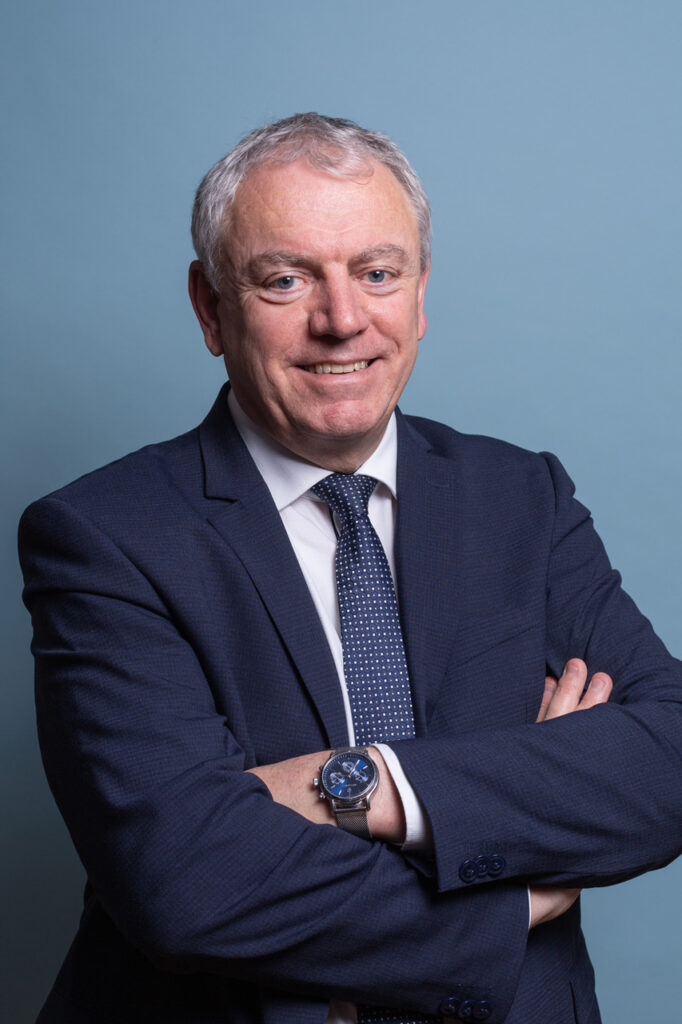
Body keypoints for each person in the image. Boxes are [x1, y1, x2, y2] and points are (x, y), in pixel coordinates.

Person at [19, 112, 682, 1024]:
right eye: (285, 280)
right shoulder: (104, 535)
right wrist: (509, 892)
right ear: (210, 308)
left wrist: (361, 785)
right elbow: (181, 877)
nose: (342, 320)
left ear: (420, 295)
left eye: (377, 273)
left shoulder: (523, 497)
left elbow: (668, 760)